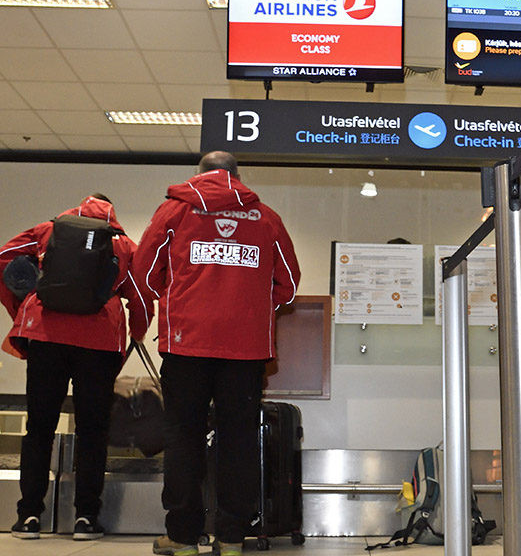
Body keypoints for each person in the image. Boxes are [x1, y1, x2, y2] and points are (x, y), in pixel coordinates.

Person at [132, 151, 301, 556]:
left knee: (183, 436)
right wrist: (250, 307)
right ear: (238, 176)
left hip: (185, 342)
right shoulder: (267, 219)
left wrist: (176, 300)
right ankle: (231, 538)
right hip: (244, 350)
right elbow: (289, 285)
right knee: (239, 440)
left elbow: (143, 274)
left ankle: (184, 537)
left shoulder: (174, 212)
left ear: (198, 175)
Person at [0, 194, 152, 541]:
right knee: (93, 432)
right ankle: (86, 517)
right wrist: (139, 332)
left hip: (45, 336)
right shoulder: (124, 244)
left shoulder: (47, 230)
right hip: (98, 343)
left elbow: (4, 259)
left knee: (39, 428)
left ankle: (29, 517)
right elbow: (141, 294)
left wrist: (23, 306)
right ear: (111, 213)